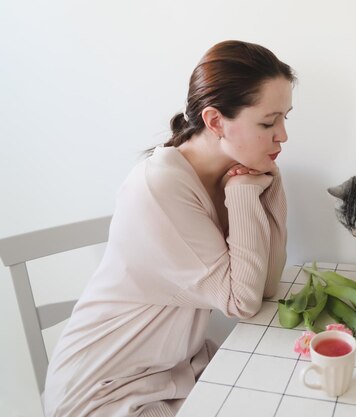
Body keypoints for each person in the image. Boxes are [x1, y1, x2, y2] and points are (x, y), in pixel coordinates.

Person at [44, 40, 295, 417]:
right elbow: (241, 302)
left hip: (176, 373)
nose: (283, 135)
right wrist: (245, 192)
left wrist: (268, 182)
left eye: (285, 118)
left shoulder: (235, 171)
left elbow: (267, 285)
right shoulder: (160, 186)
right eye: (267, 122)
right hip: (105, 392)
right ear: (214, 121)